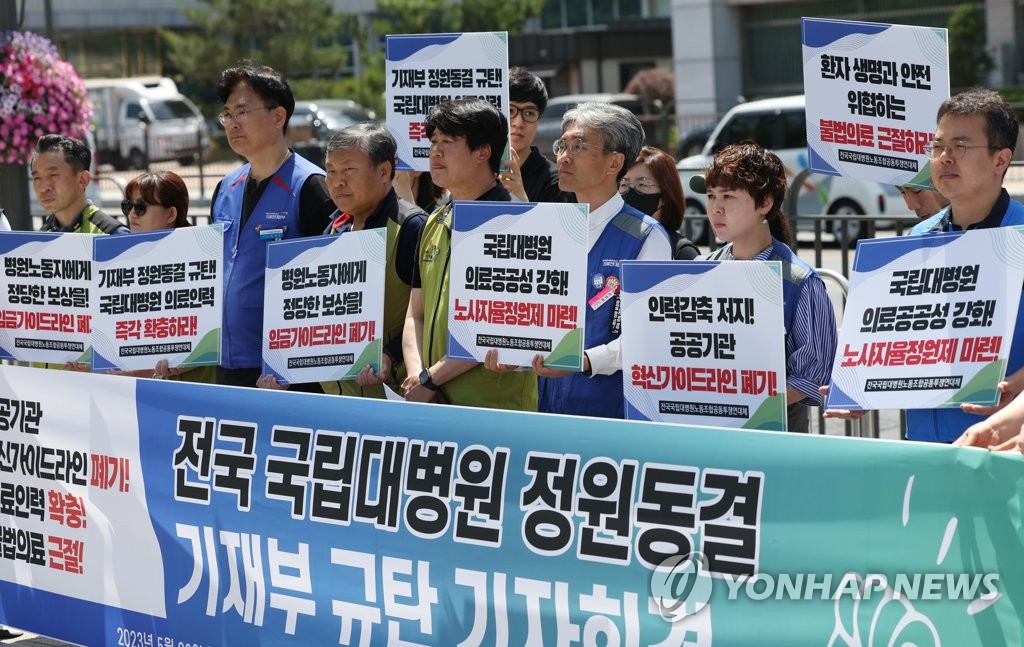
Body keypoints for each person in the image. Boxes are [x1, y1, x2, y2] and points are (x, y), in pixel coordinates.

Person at [827, 89, 1024, 443]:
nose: (944, 158)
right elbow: (900, 341)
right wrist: (863, 385)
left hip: (1002, 450)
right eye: (937, 147)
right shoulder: (917, 237)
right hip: (922, 449)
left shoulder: (1021, 237)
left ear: (1001, 160)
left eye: (960, 147)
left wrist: (1019, 384)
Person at [493, 101, 672, 419]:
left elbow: (647, 338)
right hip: (543, 410)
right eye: (562, 145)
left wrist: (584, 360)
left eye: (577, 146)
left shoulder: (646, 236)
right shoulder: (546, 227)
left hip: (609, 415)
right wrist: (513, 353)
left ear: (614, 162)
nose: (563, 156)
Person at [256, 123, 427, 398]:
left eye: (348, 170)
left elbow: (427, 317)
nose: (336, 181)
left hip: (393, 398)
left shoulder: (412, 227)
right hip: (339, 402)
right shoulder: (334, 229)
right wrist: (285, 370)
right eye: (331, 171)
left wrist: (389, 356)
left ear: (384, 171)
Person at [401, 98, 537, 410]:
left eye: (448, 141)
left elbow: (500, 326)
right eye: (433, 141)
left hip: (494, 409)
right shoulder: (434, 220)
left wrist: (431, 378)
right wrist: (416, 375)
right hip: (432, 403)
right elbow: (415, 313)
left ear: (483, 152)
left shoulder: (517, 223)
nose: (435, 150)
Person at [692, 143, 837, 433]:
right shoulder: (701, 269)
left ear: (765, 203)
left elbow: (812, 376)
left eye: (728, 196)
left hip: (774, 439)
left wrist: (744, 405)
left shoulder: (799, 281)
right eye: (711, 196)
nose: (716, 207)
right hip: (709, 434)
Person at [211, 62, 335, 389]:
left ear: (278, 117)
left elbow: (328, 287)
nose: (232, 123)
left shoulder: (311, 186)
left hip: (283, 374)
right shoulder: (226, 187)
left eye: (242, 111)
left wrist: (294, 368)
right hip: (225, 363)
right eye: (227, 114)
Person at [110, 171, 218, 383]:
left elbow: (208, 345)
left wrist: (136, 373)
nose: (132, 214)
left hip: (195, 396)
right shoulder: (126, 265)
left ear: (170, 215)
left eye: (141, 207)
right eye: (127, 206)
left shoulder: (202, 264)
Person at [499, 67, 572, 203]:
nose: (518, 123)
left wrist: (520, 200)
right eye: (510, 110)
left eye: (529, 113)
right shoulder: (478, 171)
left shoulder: (555, 181)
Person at [32, 134, 128, 235]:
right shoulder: (40, 238)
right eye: (37, 178)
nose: (43, 188)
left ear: (82, 179)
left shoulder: (114, 236)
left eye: (53, 175)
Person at [620, 145, 700, 260]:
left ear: (665, 196)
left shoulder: (682, 253)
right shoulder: (611, 244)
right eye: (624, 184)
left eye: (642, 184)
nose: (630, 192)